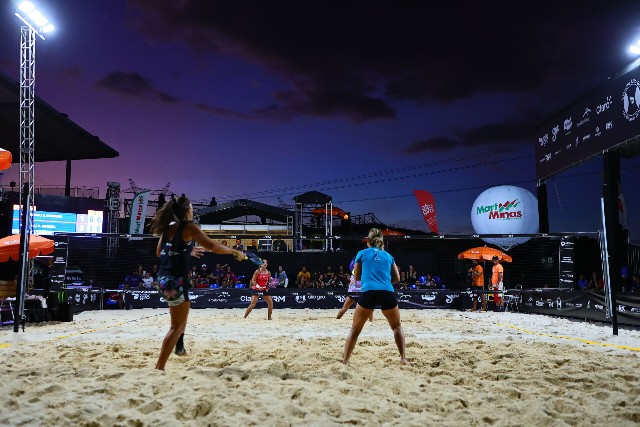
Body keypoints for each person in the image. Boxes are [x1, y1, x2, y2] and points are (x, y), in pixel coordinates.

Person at [150, 194, 245, 371]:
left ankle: (179, 346)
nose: (193, 209)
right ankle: (159, 367)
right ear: (187, 211)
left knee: (182, 314)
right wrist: (234, 252)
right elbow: (213, 246)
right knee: (175, 326)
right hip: (176, 281)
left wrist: (187, 250)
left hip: (162, 279)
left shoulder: (168, 227)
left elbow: (159, 252)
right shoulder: (189, 227)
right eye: (192, 207)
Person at [343, 228, 408, 365]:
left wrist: (370, 281)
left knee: (355, 330)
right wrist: (382, 282)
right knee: (397, 327)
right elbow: (396, 278)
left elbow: (357, 278)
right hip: (387, 292)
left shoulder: (361, 253)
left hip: (369, 293)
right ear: (381, 240)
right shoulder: (388, 256)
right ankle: (403, 358)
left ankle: (345, 361)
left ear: (368, 240)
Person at [336, 258, 373, 322]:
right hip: (358, 291)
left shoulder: (358, 271)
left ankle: (337, 319)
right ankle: (371, 322)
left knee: (344, 309)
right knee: (369, 309)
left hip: (357, 291)